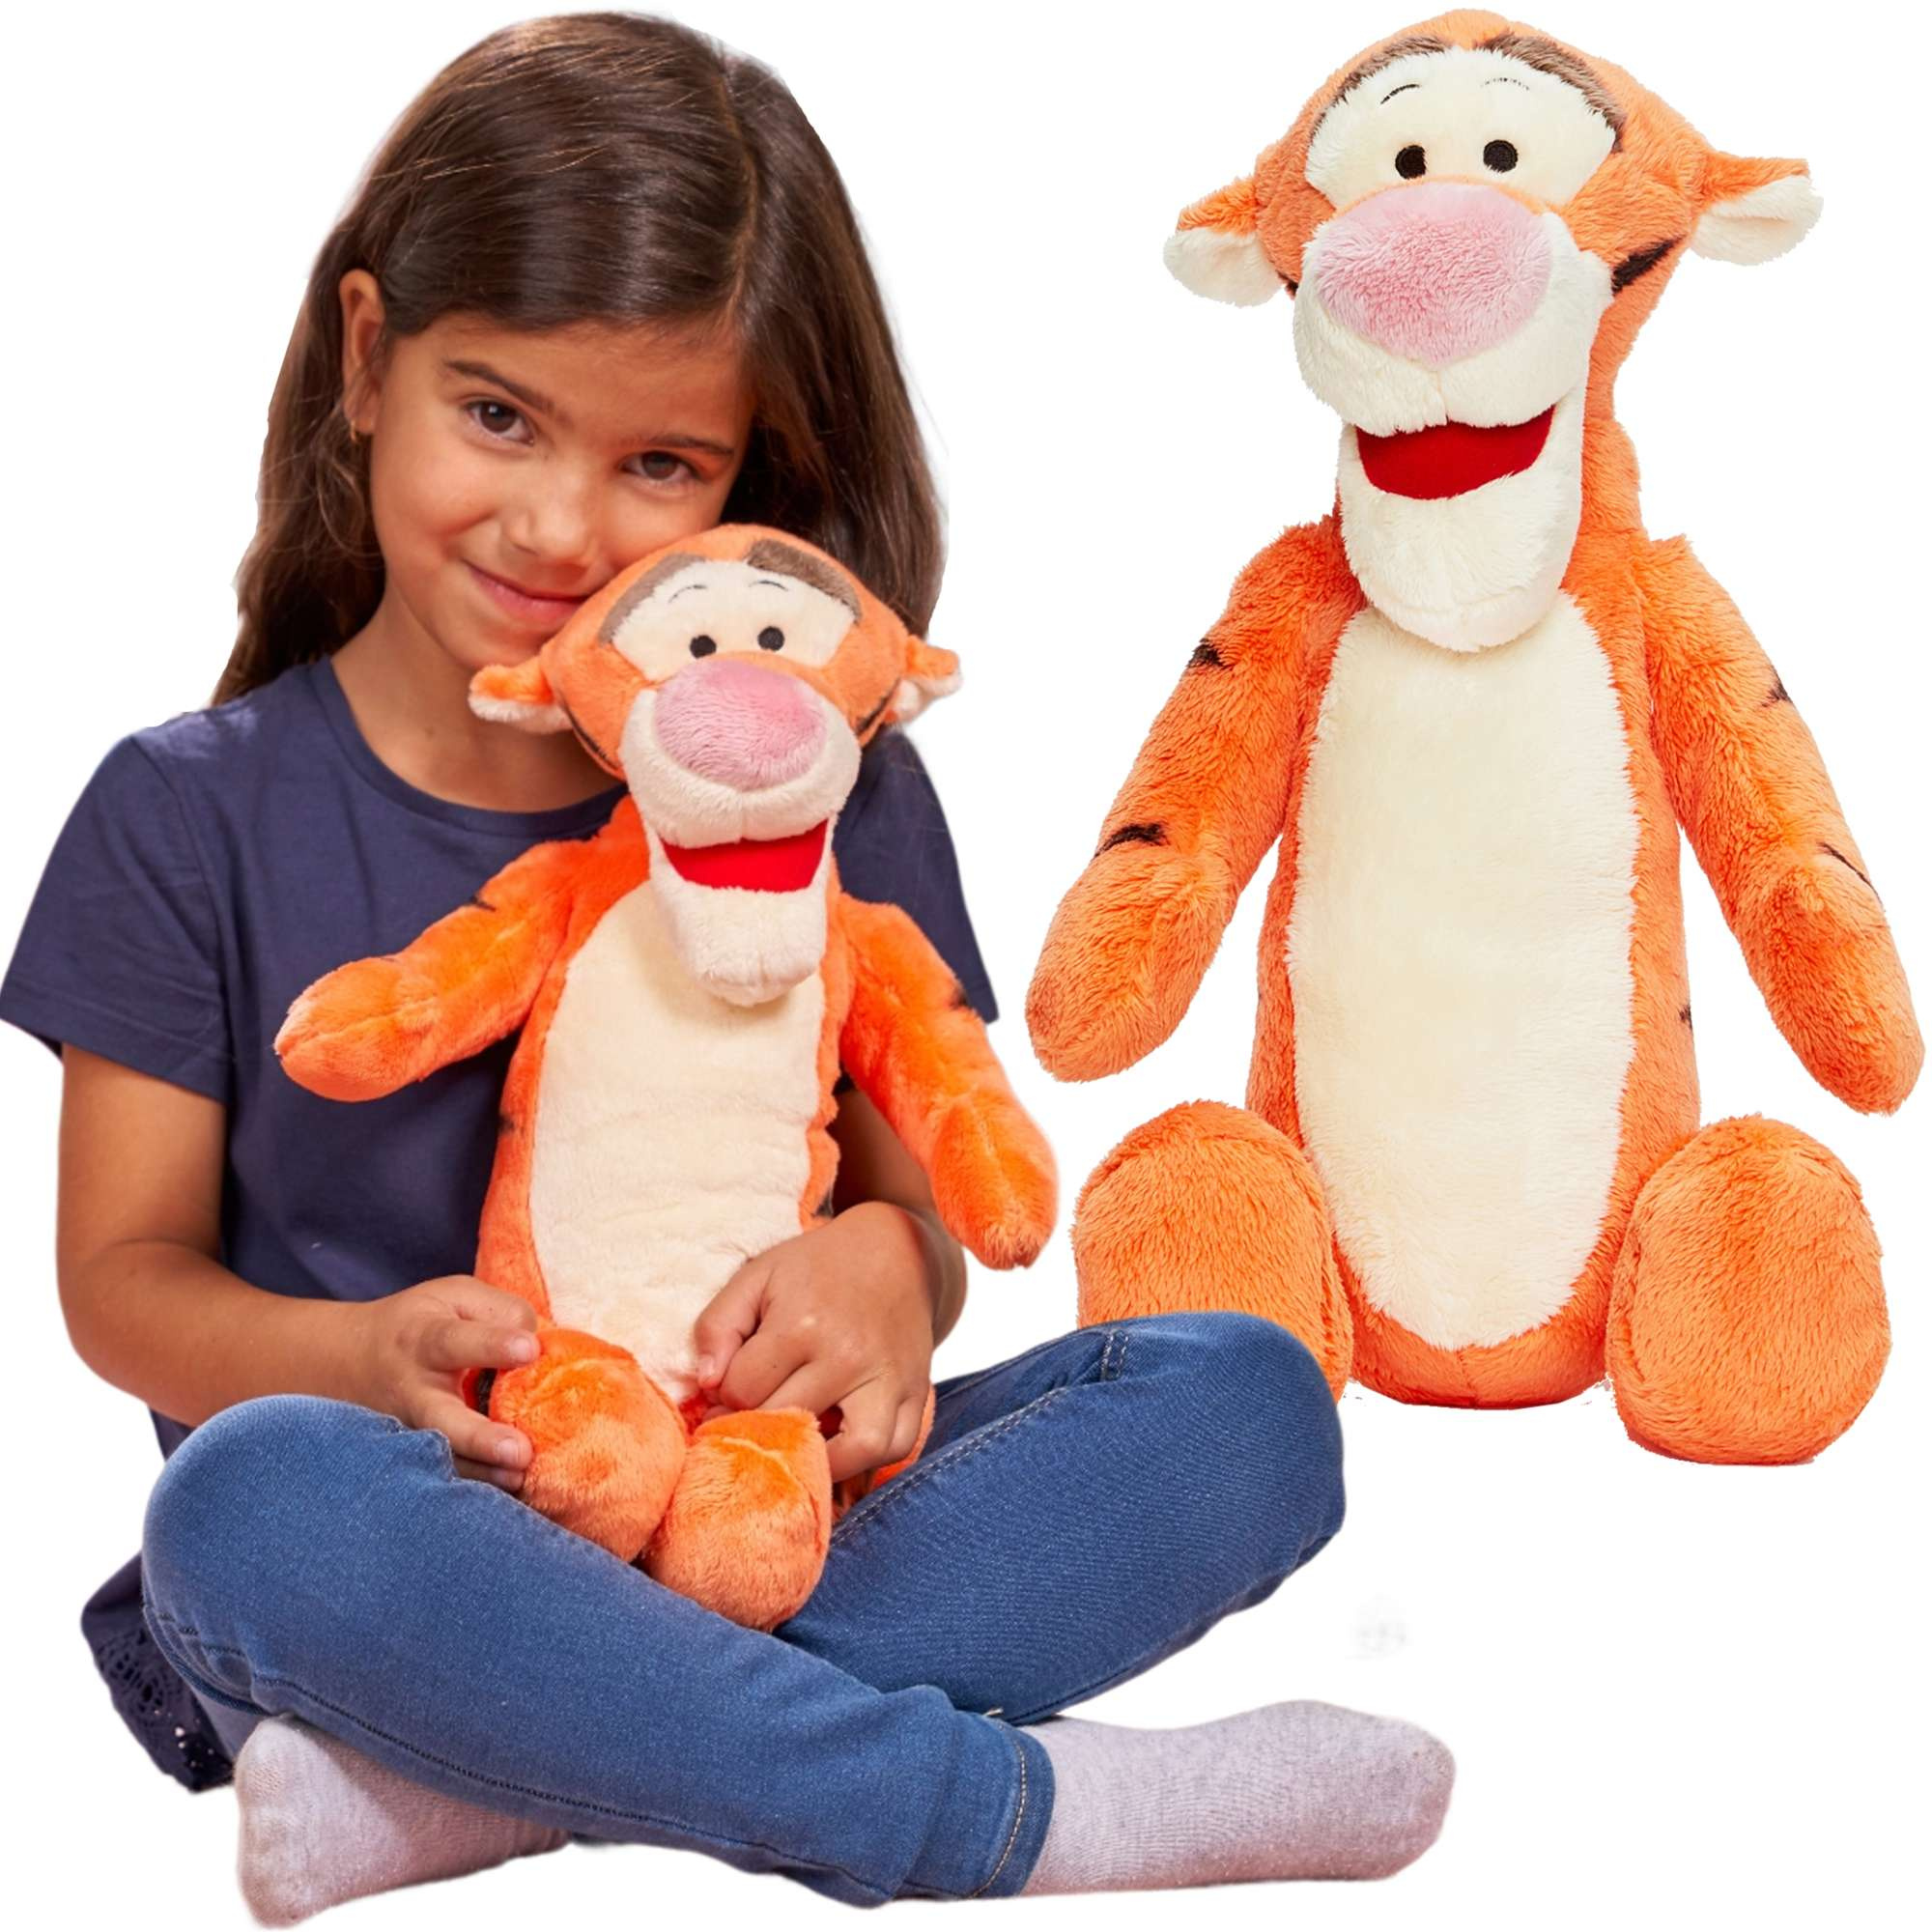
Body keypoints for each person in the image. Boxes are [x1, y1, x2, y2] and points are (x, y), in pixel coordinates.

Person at [1, 13, 1452, 1918]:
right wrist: (354, 1359)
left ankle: (473, 1788)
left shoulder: (833, 784)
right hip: (390, 1546)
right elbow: (121, 1288)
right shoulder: (184, 810)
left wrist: (892, 1268)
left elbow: (920, 1198)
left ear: (754, 475)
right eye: (497, 415)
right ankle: (994, 1812)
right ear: (366, 359)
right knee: (244, 1497)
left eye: (660, 461)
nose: (557, 523)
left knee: (1246, 1397)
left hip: (753, 1512)